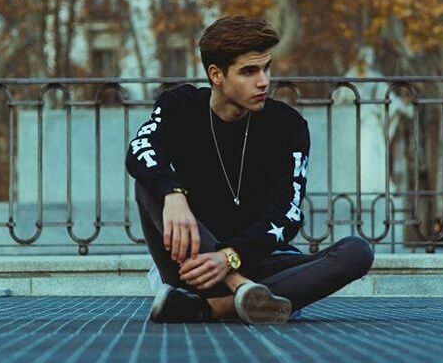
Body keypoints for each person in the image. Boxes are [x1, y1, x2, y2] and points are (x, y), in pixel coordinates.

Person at [126, 16, 374, 324]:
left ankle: (214, 308)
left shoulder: (286, 125)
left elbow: (287, 213)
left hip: (258, 260)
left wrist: (230, 257)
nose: (263, 81)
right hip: (193, 266)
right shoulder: (181, 105)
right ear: (216, 74)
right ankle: (242, 291)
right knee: (148, 184)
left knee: (357, 252)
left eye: (266, 68)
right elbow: (141, 149)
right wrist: (172, 194)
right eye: (249, 71)